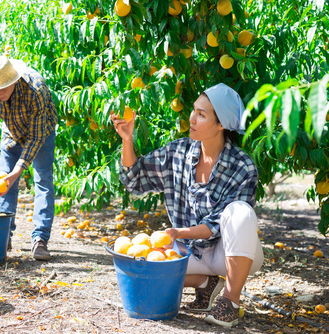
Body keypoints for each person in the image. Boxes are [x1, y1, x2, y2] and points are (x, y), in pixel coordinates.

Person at [111, 83, 264, 328]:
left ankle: (230, 301)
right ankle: (205, 283)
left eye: (201, 114)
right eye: (194, 110)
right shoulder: (178, 152)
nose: (192, 118)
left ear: (221, 124)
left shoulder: (242, 167)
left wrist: (177, 233)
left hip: (225, 254)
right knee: (141, 265)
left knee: (240, 213)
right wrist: (127, 140)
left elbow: (216, 225)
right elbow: (135, 180)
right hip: (188, 251)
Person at [0, 56, 58, 261]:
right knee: (4, 185)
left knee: (43, 181)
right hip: (11, 134)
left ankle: (40, 239)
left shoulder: (36, 89)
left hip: (41, 134)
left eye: (2, 88)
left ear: (13, 81)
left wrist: (16, 173)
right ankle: (4, 237)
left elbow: (36, 137)